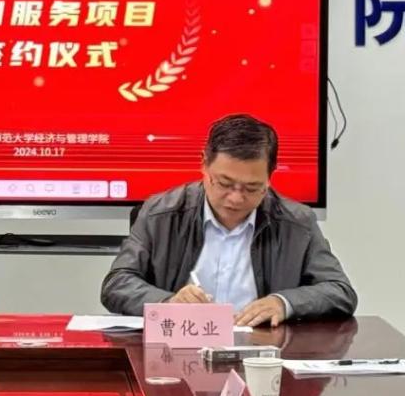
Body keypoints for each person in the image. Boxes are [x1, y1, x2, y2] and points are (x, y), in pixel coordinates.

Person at [101, 114, 356, 325]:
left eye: (251, 187)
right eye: (224, 183)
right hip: (178, 349)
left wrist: (284, 303)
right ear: (203, 164)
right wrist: (169, 302)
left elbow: (340, 291)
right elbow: (117, 284)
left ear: (270, 177)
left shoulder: (296, 223)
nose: (235, 198)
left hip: (262, 354)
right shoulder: (161, 213)